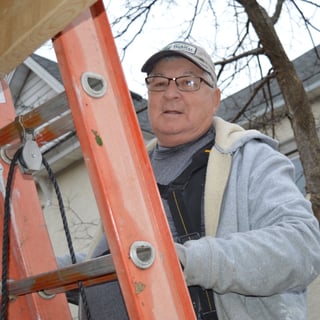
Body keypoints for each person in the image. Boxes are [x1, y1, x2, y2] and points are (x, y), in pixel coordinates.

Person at [70, 41, 320, 319]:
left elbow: (303, 244)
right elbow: (123, 258)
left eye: (188, 82)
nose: (171, 94)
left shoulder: (251, 159)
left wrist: (190, 260)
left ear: (215, 99)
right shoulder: (132, 176)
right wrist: (59, 270)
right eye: (159, 83)